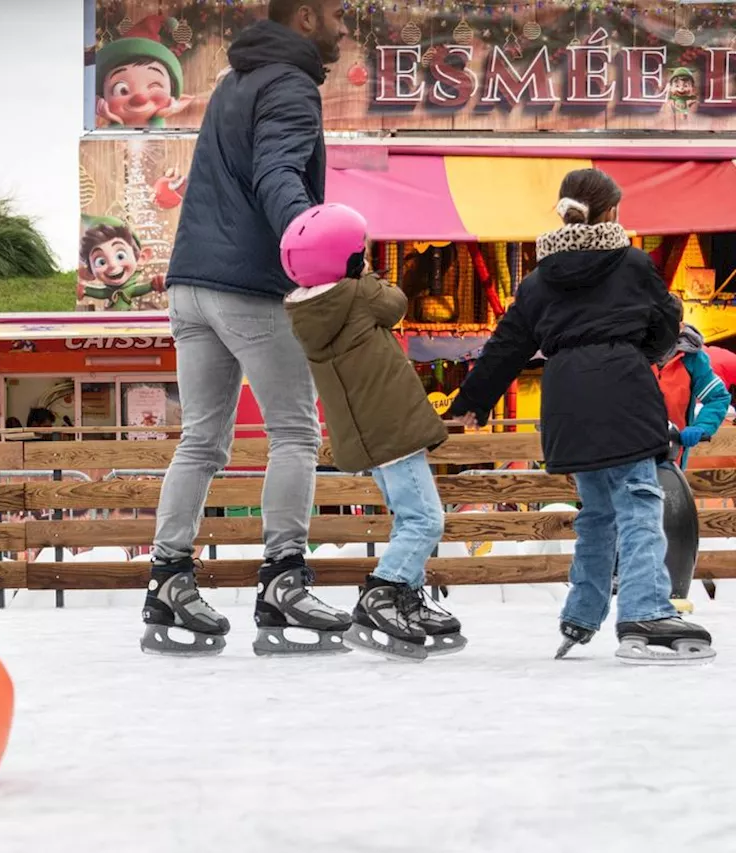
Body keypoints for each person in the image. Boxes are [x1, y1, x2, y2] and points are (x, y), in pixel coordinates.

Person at [138, 0, 350, 657]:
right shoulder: (289, 83)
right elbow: (277, 175)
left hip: (190, 283)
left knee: (201, 438)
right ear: (308, 16)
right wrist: (313, 243)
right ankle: (284, 578)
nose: (344, 28)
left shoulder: (236, 82)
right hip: (247, 286)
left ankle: (168, 576)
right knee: (295, 429)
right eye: (338, 15)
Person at [447, 168, 716, 666]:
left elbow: (507, 346)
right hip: (624, 392)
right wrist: (647, 353)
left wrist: (470, 404)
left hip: (567, 401)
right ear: (611, 211)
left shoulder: (539, 278)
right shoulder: (632, 263)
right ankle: (646, 611)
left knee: (597, 514)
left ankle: (582, 612)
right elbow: (664, 325)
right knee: (639, 504)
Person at [282, 204, 464, 662]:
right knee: (426, 520)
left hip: (369, 433)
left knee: (408, 517)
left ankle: (407, 599)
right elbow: (397, 303)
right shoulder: (358, 294)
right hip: (392, 427)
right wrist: (365, 275)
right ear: (347, 258)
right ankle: (384, 593)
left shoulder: (310, 309)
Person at [654, 313, 731, 470]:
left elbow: (717, 397)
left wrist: (702, 426)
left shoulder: (692, 359)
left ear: (680, 325)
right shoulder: (631, 353)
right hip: (629, 454)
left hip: (672, 456)